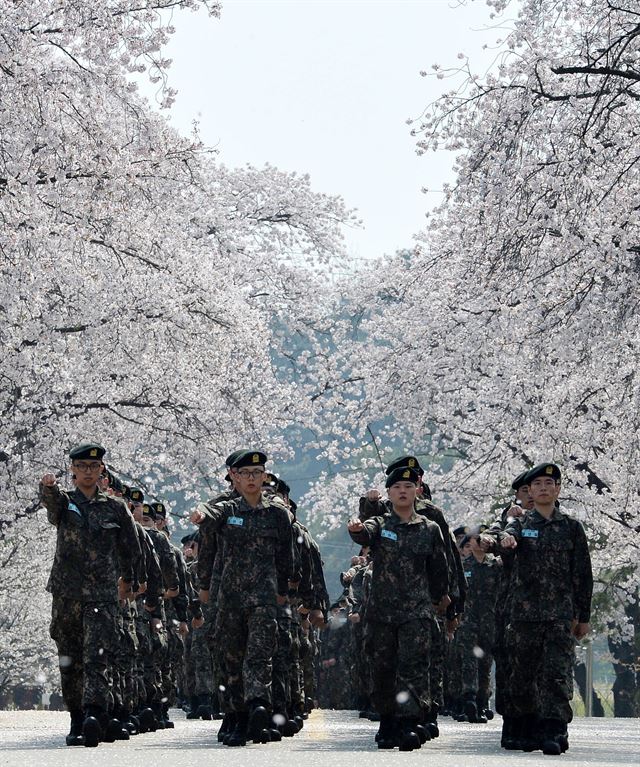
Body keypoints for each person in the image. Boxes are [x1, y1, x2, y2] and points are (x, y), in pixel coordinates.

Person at [191, 450, 294, 747]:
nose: (251, 478)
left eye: (257, 472)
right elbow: (208, 543)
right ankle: (236, 714)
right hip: (230, 597)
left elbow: (287, 554)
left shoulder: (277, 514)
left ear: (264, 475)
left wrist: (283, 588)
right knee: (232, 658)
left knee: (259, 655)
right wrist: (205, 584)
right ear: (233, 476)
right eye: (244, 473)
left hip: (263, 597)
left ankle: (258, 704)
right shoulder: (225, 510)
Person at [40, 443, 140, 748]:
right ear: (72, 469)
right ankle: (77, 717)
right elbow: (52, 505)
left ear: (101, 471)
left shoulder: (114, 508)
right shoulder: (65, 503)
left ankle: (96, 714)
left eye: (93, 467)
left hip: (102, 593)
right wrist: (47, 487)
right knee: (71, 659)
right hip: (67, 594)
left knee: (98, 657)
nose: (87, 472)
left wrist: (130, 580)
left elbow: (131, 548)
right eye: (81, 466)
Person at [348, 466, 449, 751]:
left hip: (416, 611)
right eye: (397, 488)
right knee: (382, 667)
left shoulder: (429, 529)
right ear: (389, 494)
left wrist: (440, 598)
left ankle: (410, 722)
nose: (403, 491)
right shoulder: (381, 524)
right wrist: (356, 527)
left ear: (417, 491)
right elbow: (364, 534)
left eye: (408, 487)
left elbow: (439, 569)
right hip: (381, 612)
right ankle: (387, 719)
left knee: (414, 666)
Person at [500, 463, 593, 755]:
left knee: (557, 673)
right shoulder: (519, 524)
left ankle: (555, 728)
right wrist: (505, 540)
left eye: (548, 483)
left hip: (559, 614)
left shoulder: (571, 528)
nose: (542, 488)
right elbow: (504, 545)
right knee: (523, 673)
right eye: (537, 484)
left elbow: (582, 574)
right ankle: (528, 726)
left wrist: (583, 615)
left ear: (558, 489)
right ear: (530, 490)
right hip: (524, 615)